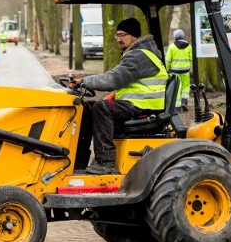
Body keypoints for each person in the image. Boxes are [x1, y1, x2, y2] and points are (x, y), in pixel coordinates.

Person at [72, 18, 169, 174]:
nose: (119, 39)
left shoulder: (138, 56)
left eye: (123, 35)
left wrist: (84, 81)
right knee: (88, 108)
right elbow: (132, 83)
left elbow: (113, 79)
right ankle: (78, 161)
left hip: (144, 107)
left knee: (102, 108)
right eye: (117, 35)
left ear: (134, 36)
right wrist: (113, 95)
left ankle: (106, 162)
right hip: (139, 103)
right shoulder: (139, 53)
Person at [165, 29, 193, 111]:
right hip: (185, 70)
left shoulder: (172, 47)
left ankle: (177, 107)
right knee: (185, 86)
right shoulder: (188, 46)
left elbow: (168, 60)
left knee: (177, 87)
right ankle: (184, 101)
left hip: (175, 71)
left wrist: (167, 69)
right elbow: (191, 58)